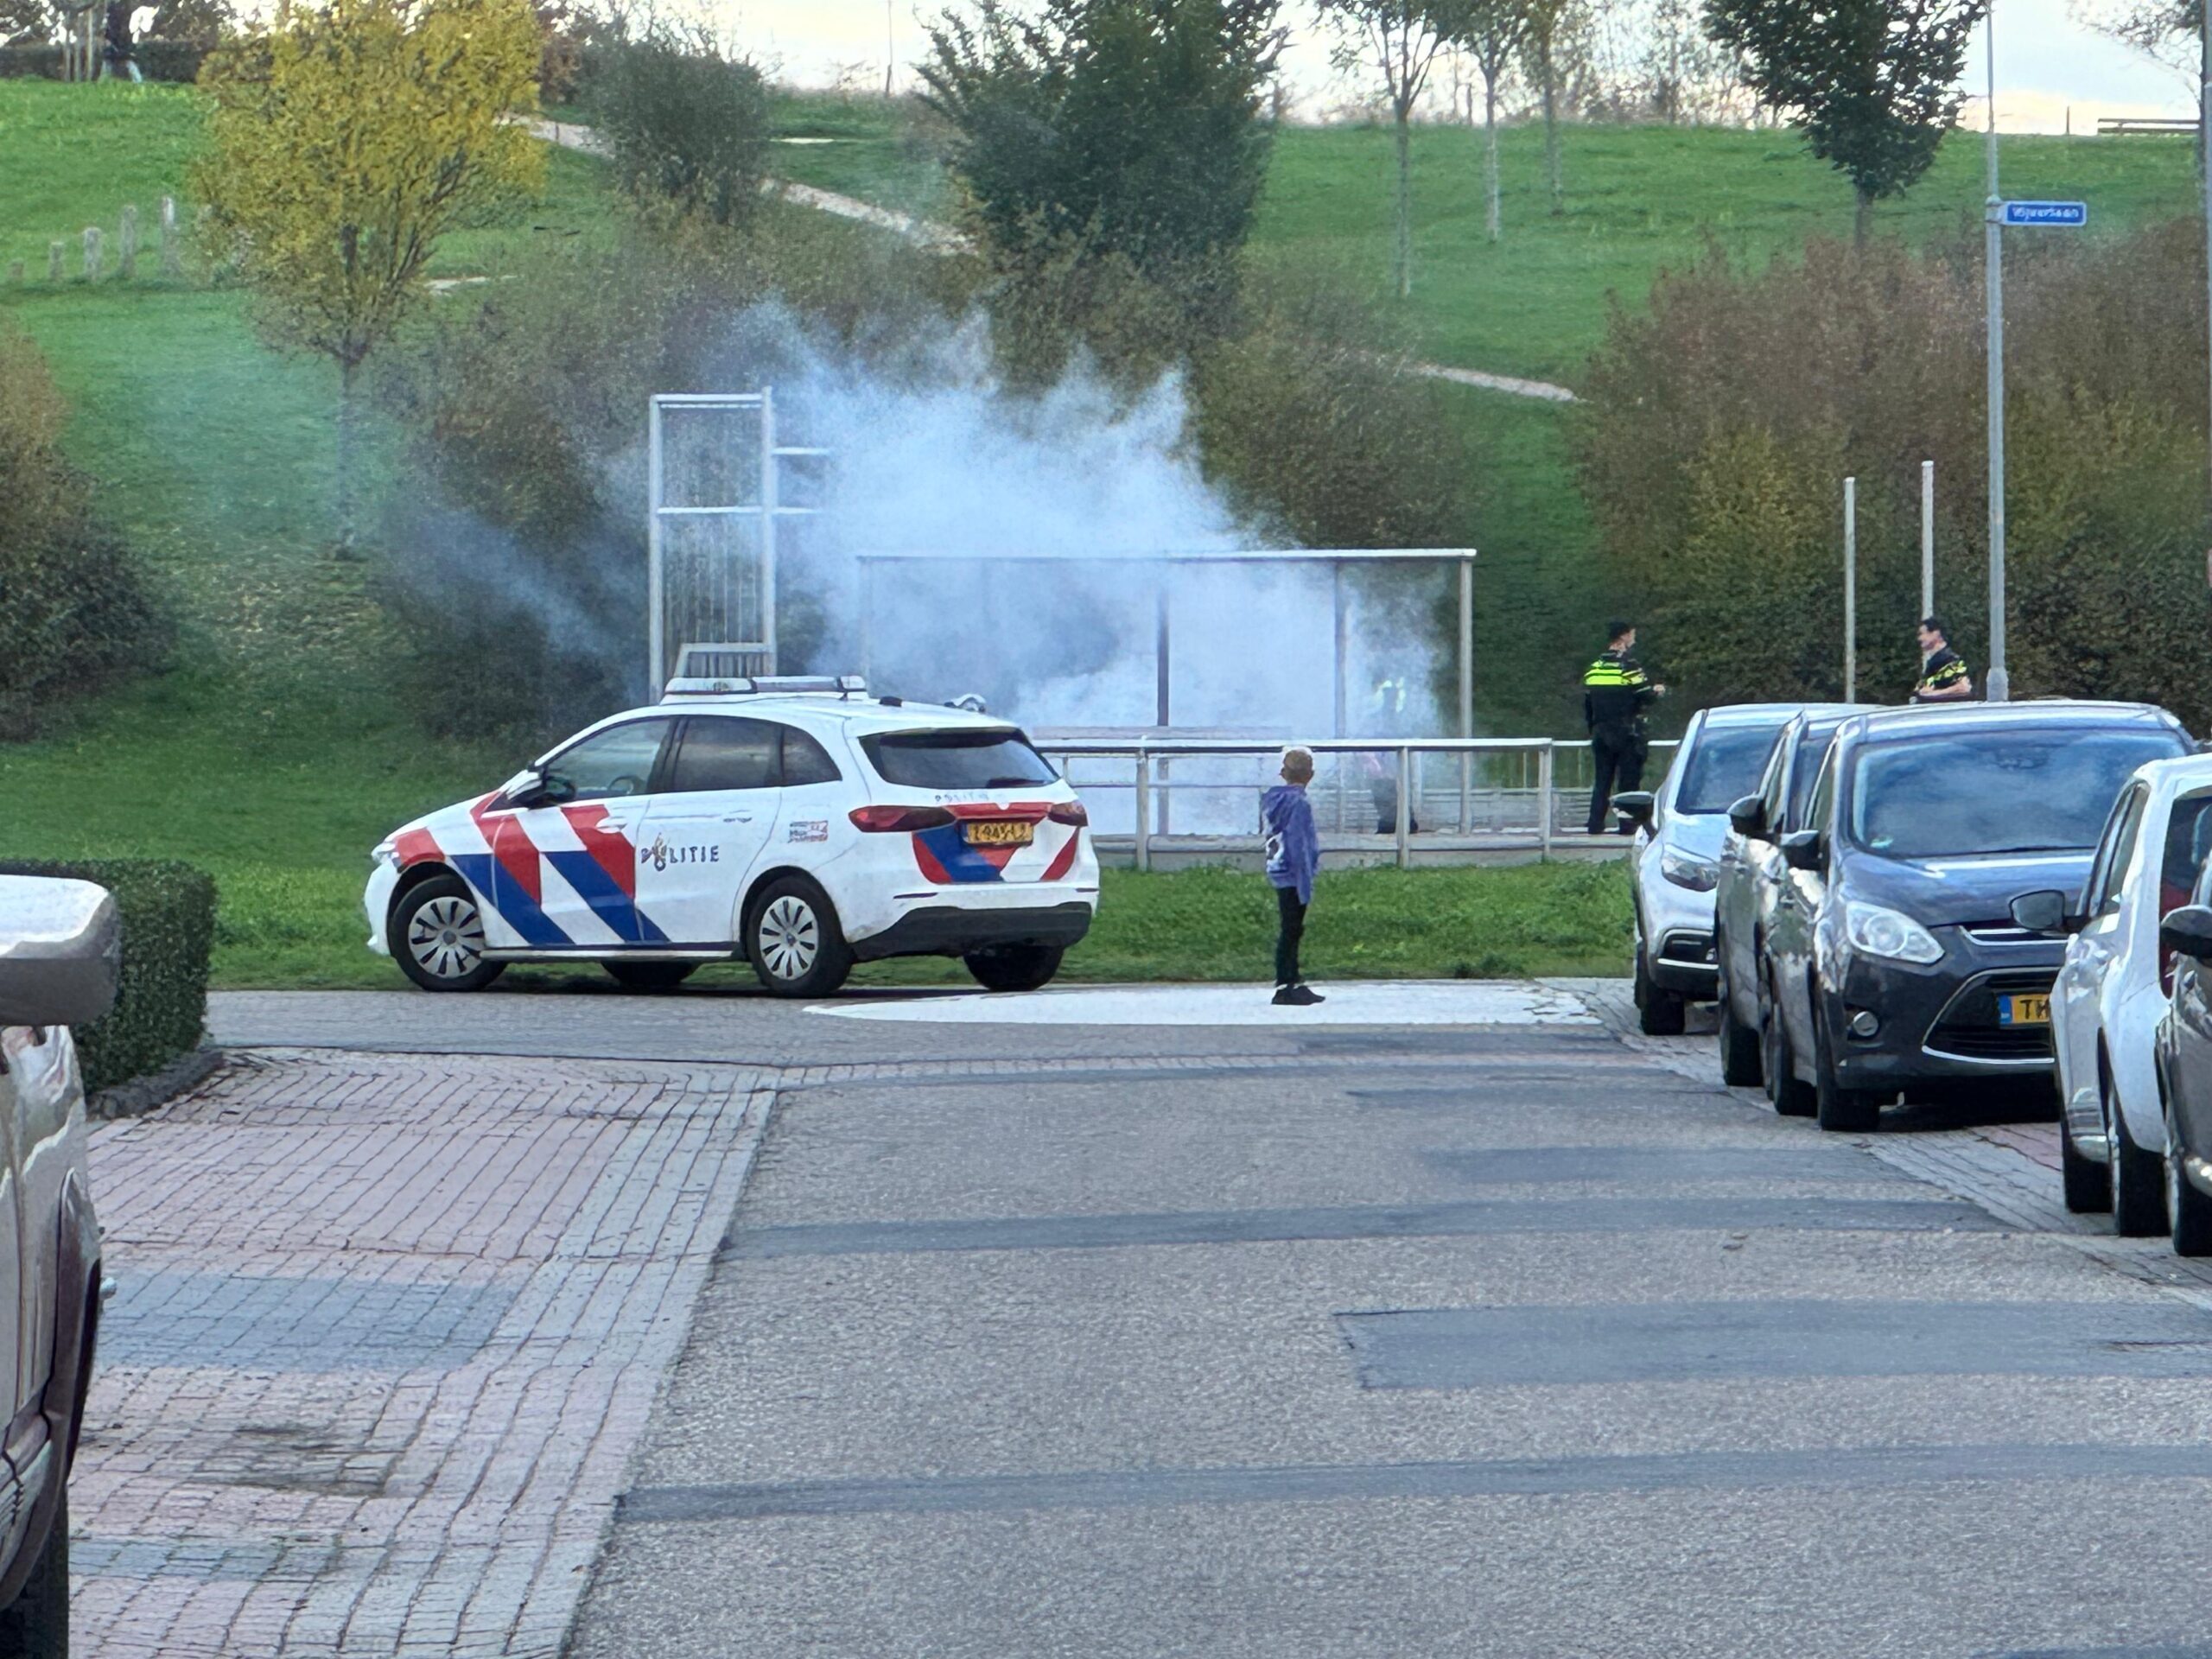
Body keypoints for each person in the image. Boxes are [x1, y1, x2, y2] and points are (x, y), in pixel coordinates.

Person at [1583, 620, 1663, 835]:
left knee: (1602, 780)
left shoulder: (1595, 668)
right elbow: (1645, 696)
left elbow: (1589, 704)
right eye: (1632, 634)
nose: (1633, 639)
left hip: (1601, 733)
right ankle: (1627, 826)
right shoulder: (1629, 666)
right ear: (1624, 637)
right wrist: (1657, 691)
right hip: (1627, 732)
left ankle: (1595, 824)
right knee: (1628, 781)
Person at [1262, 747, 1325, 1007]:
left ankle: (1293, 980)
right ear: (1310, 775)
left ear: (1283, 773)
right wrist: (1306, 877)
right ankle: (1285, 985)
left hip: (1279, 868)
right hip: (1294, 873)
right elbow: (1299, 843)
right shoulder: (1299, 803)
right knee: (1292, 930)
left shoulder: (1274, 801)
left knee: (1292, 928)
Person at [1911, 616, 1974, 703]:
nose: (1920, 638)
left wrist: (1932, 695)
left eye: (1922, 633)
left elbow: (1964, 688)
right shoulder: (1935, 661)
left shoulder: (1951, 660)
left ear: (1936, 633)